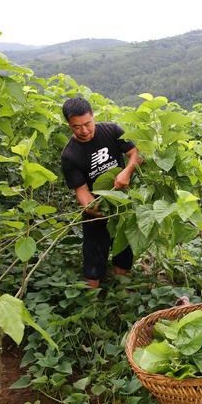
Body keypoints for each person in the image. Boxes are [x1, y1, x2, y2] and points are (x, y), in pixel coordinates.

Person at [60, 97, 142, 289]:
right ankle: (93, 298)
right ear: (69, 125)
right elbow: (81, 191)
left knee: (123, 246)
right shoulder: (70, 155)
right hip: (96, 210)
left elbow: (136, 154)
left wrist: (127, 171)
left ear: (93, 116)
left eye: (88, 124)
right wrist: (94, 208)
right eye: (76, 127)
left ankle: (120, 290)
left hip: (122, 203)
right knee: (94, 251)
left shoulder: (111, 130)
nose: (84, 131)